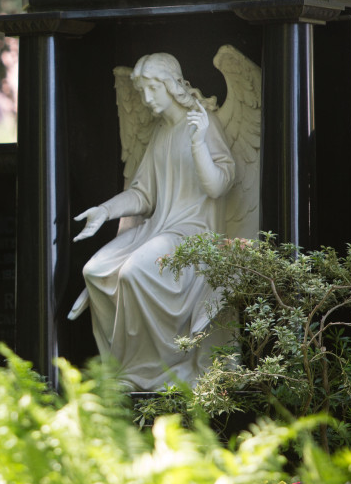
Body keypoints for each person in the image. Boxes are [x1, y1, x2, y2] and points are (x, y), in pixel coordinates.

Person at [72, 53, 236, 390]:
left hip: (193, 236)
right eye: (142, 91)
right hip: (158, 229)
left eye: (151, 89)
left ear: (170, 85)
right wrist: (105, 211)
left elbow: (218, 185)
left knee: (133, 273)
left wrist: (198, 143)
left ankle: (156, 368)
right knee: (95, 271)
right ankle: (122, 368)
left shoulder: (202, 123)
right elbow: (143, 195)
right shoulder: (161, 132)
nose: (145, 99)